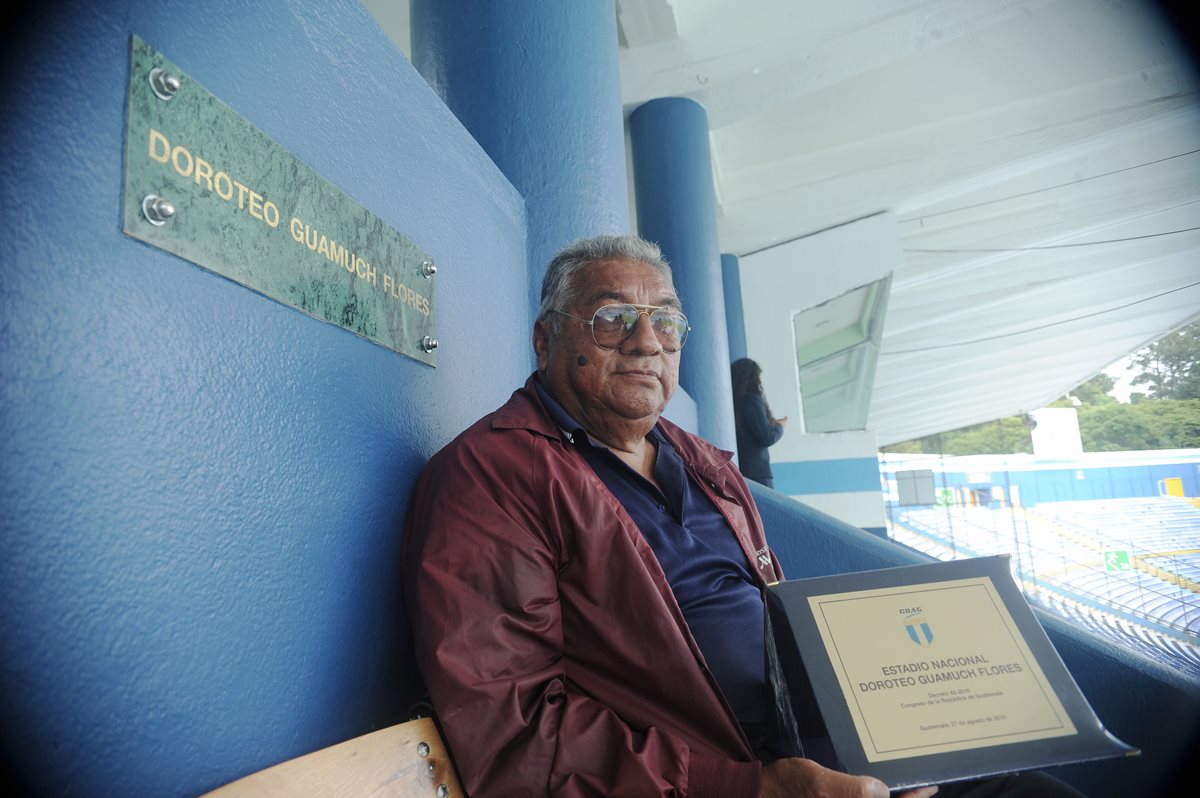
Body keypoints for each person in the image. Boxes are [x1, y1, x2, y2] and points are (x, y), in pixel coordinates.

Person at [402, 235, 1082, 798]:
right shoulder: (490, 476)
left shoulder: (703, 461)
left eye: (666, 320)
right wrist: (752, 788)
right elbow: (514, 730)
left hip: (822, 750)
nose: (647, 341)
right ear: (545, 342)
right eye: (612, 316)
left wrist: (894, 734)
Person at [731, 358, 787, 488]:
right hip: (757, 472)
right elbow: (767, 437)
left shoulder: (733, 401)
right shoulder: (751, 400)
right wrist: (780, 426)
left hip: (741, 468)